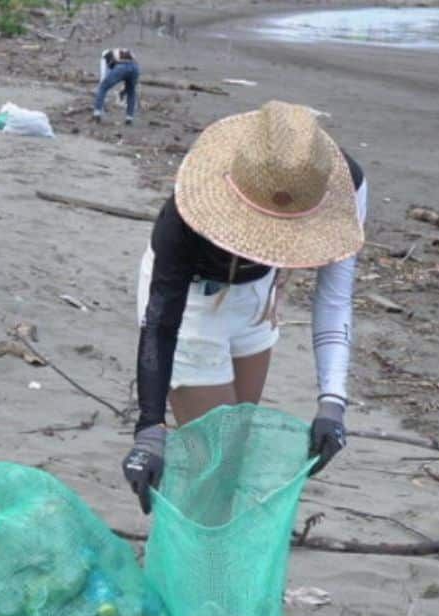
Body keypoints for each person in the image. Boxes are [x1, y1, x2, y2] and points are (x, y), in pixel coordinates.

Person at [122, 100, 367, 513]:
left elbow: (335, 297)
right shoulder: (185, 212)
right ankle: (201, 547)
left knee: (235, 444)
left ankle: (209, 534)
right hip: (194, 304)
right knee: (217, 464)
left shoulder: (342, 184)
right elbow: (161, 323)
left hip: (259, 297)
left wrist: (332, 401)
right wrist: (149, 430)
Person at [94, 48, 140, 125]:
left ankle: (97, 113)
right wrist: (123, 91)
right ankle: (129, 118)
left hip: (121, 67)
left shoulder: (105, 56)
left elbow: (104, 73)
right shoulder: (124, 52)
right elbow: (133, 67)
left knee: (102, 88)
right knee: (131, 92)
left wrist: (103, 83)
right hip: (135, 67)